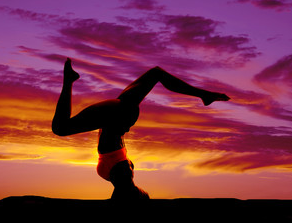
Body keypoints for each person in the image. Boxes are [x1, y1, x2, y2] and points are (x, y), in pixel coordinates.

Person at [52, 58, 230, 200]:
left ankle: (204, 95)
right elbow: (124, 195)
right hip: (117, 115)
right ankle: (204, 95)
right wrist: (141, 197)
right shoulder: (123, 177)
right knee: (61, 128)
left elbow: (123, 196)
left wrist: (141, 197)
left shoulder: (123, 180)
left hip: (118, 115)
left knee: (156, 73)